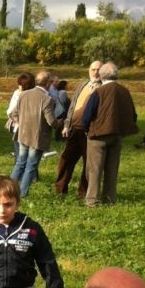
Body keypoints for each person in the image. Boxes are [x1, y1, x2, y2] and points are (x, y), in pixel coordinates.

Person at [82, 61, 137, 206]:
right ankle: (109, 199)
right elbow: (133, 114)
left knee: (94, 170)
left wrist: (86, 129)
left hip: (98, 135)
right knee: (112, 169)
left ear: (101, 75)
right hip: (117, 134)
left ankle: (92, 200)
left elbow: (87, 115)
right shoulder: (124, 91)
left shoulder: (98, 92)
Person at [54, 60, 102, 198]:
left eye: (99, 69)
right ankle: (60, 189)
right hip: (75, 128)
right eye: (93, 69)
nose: (96, 72)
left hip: (91, 130)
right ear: (89, 70)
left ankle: (83, 192)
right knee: (66, 159)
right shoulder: (83, 84)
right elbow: (72, 106)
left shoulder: (104, 88)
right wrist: (67, 124)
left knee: (89, 163)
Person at [9, 71, 57, 196]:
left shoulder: (23, 94)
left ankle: (9, 190)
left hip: (23, 135)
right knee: (31, 165)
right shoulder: (47, 99)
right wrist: (62, 123)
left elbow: (13, 113)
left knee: (20, 162)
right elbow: (51, 121)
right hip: (37, 137)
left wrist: (22, 122)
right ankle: (22, 194)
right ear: (48, 83)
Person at [4, 72, 35, 162]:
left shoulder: (21, 94)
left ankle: (25, 175)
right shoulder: (18, 94)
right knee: (25, 156)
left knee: (23, 155)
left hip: (23, 128)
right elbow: (10, 112)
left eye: (20, 84)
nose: (19, 87)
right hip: (23, 127)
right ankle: (26, 175)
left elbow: (10, 112)